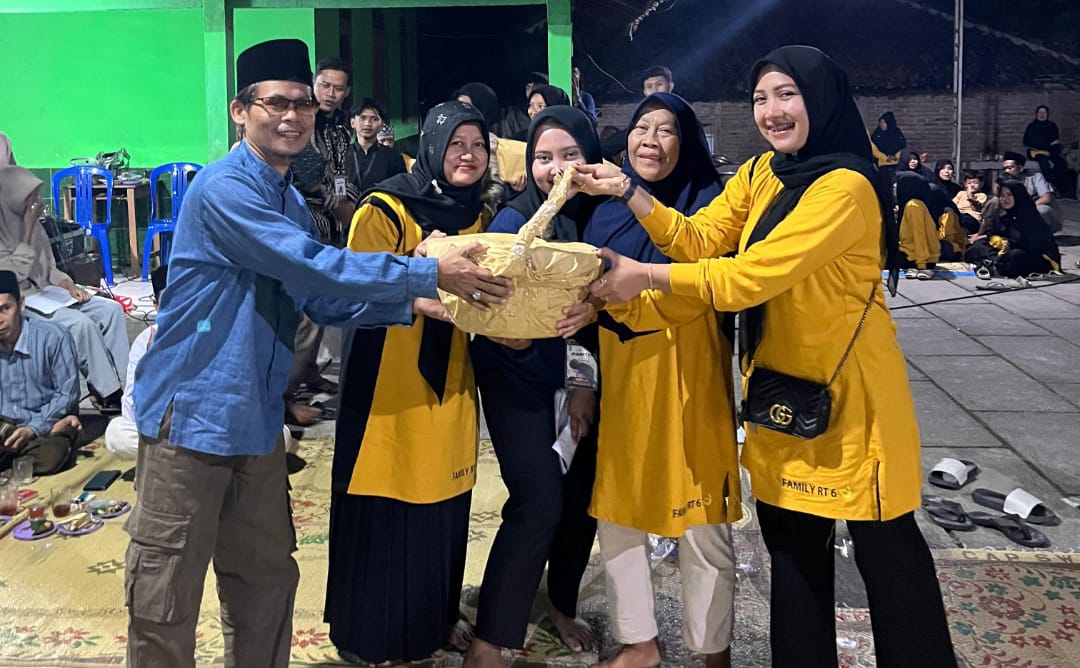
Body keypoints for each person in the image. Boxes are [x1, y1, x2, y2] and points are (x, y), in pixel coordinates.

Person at [123, 40, 511, 668]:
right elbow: (309, 263)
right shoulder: (224, 189)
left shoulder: (288, 200)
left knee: (265, 581)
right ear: (239, 111)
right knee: (166, 593)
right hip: (191, 418)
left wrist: (416, 303)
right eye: (276, 103)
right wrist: (423, 271)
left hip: (254, 423)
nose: (292, 116)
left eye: (302, 103)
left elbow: (322, 300)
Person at [577, 45, 956, 668]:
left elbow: (748, 277)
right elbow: (700, 239)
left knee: (889, 558)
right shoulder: (761, 173)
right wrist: (629, 190)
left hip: (852, 405)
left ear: (821, 99)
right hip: (780, 392)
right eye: (760, 98)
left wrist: (643, 276)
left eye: (787, 94)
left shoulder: (846, 188)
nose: (772, 111)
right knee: (794, 555)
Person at [326, 100, 503, 665]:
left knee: (444, 499)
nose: (468, 155)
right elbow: (354, 288)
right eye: (456, 145)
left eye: (478, 145)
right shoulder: (385, 208)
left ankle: (435, 619)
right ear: (432, 146)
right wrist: (422, 283)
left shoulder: (480, 214)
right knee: (387, 498)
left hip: (451, 376)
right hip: (388, 379)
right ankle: (370, 636)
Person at [578, 92, 741, 668]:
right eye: (641, 126)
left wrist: (613, 301)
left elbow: (697, 290)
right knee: (619, 512)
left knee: (703, 521)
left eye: (666, 129)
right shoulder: (601, 212)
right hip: (626, 378)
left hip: (690, 379)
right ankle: (639, 642)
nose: (650, 139)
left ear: (686, 142)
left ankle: (713, 649)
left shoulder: (709, 207)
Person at [465, 107, 604, 666]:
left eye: (570, 155)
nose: (556, 169)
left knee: (581, 499)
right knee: (538, 500)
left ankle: (560, 603)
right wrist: (512, 333)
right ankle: (491, 636)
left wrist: (583, 384)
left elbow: (597, 314)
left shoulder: (602, 218)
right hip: (515, 378)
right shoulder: (513, 222)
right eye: (543, 157)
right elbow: (493, 309)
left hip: (582, 377)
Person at [0, 165, 127, 414]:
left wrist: (69, 285)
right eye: (29, 197)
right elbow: (13, 275)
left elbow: (49, 268)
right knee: (81, 324)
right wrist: (27, 230)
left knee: (110, 310)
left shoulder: (36, 227)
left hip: (48, 292)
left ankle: (125, 382)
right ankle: (107, 392)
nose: (36, 203)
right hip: (22, 300)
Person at [286, 57, 358, 422]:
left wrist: (351, 205)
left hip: (333, 223)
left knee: (320, 305)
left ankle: (309, 371)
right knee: (304, 311)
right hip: (303, 222)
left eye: (338, 88)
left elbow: (343, 172)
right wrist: (344, 208)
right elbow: (309, 171)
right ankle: (286, 394)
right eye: (325, 85)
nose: (330, 93)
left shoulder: (340, 127)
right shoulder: (302, 120)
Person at [0, 270, 81, 477]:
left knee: (52, 454)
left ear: (21, 305)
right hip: (5, 428)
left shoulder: (53, 337)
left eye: (5, 309)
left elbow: (66, 396)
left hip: (44, 426)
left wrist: (34, 429)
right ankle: (16, 462)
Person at [104, 264, 168, 460]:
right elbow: (131, 413)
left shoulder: (205, 329)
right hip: (163, 431)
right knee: (117, 433)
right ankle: (172, 455)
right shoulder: (145, 340)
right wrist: (151, 369)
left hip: (200, 428)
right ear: (156, 306)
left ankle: (167, 456)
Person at [966, 179, 1061, 279]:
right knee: (978, 246)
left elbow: (1035, 245)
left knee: (1015, 256)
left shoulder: (1030, 217)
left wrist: (1010, 244)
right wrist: (997, 240)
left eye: (1009, 195)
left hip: (1036, 255)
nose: (1005, 199)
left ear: (1018, 196)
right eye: (1002, 196)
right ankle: (996, 263)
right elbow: (992, 233)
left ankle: (994, 263)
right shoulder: (1003, 214)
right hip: (1006, 251)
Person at [345, 98, 407, 194]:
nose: (367, 123)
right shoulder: (342, 154)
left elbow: (401, 190)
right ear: (352, 123)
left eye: (374, 119)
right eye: (363, 118)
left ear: (382, 125)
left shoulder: (393, 157)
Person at [1002, 151, 1062, 233]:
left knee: (1042, 210)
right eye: (1004, 169)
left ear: (1020, 168)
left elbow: (1046, 198)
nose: (1006, 171)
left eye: (1010, 168)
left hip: (1043, 214)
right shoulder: (1007, 181)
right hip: (1021, 216)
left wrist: (1027, 208)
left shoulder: (1036, 177)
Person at [896, 171, 939, 279]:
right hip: (918, 255)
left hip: (917, 258)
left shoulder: (914, 205)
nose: (895, 188)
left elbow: (919, 235)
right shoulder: (914, 203)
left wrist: (921, 265)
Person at [1023, 105, 1065, 191]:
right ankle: (1055, 184)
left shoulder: (1052, 126)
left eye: (1044, 113)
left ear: (1047, 114)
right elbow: (1027, 141)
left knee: (1061, 163)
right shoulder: (1032, 126)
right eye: (1040, 112)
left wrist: (1048, 146)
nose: (1042, 115)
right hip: (1035, 152)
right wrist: (1045, 144)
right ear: (1036, 114)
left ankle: (1062, 186)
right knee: (1044, 163)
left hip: (1049, 152)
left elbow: (1055, 140)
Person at [869, 112, 904, 186]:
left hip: (897, 162)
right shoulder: (877, 134)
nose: (882, 124)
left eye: (884, 122)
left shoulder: (897, 133)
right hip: (882, 163)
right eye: (880, 122)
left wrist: (895, 156)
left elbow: (902, 146)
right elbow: (874, 150)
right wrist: (885, 158)